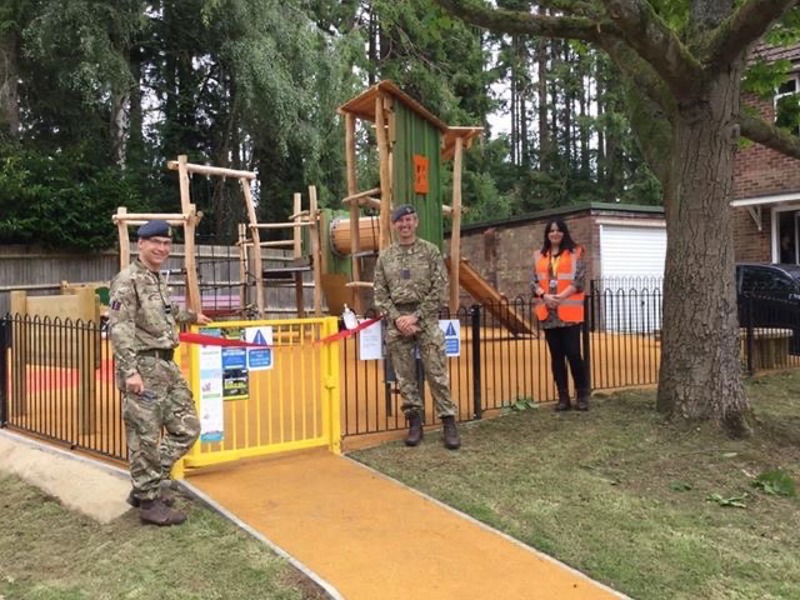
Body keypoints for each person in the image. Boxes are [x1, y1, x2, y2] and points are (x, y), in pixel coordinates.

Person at [108, 219, 212, 525]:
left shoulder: (156, 279)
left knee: (188, 427)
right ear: (141, 244)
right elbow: (120, 327)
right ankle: (149, 503)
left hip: (166, 365)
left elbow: (166, 313)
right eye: (156, 242)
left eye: (167, 244)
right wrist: (129, 372)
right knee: (146, 436)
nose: (162, 248)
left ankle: (146, 485)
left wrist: (193, 316)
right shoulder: (127, 281)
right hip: (141, 367)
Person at [373, 204, 461, 450]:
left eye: (409, 220)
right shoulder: (385, 257)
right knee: (405, 377)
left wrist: (417, 317)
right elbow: (380, 294)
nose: (405, 225)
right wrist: (399, 319)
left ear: (416, 222)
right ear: (394, 225)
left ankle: (448, 422)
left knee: (437, 373)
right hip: (397, 322)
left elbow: (440, 288)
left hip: (426, 319)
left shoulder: (430, 252)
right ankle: (414, 422)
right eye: (400, 221)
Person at [531, 218, 590, 411]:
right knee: (556, 357)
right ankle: (563, 396)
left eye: (558, 230)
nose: (555, 234)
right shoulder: (540, 256)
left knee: (573, 354)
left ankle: (582, 394)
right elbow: (534, 282)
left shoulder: (576, 253)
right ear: (547, 234)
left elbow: (579, 281)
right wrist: (545, 295)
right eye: (551, 231)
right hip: (548, 314)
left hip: (569, 312)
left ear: (564, 233)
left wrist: (559, 297)